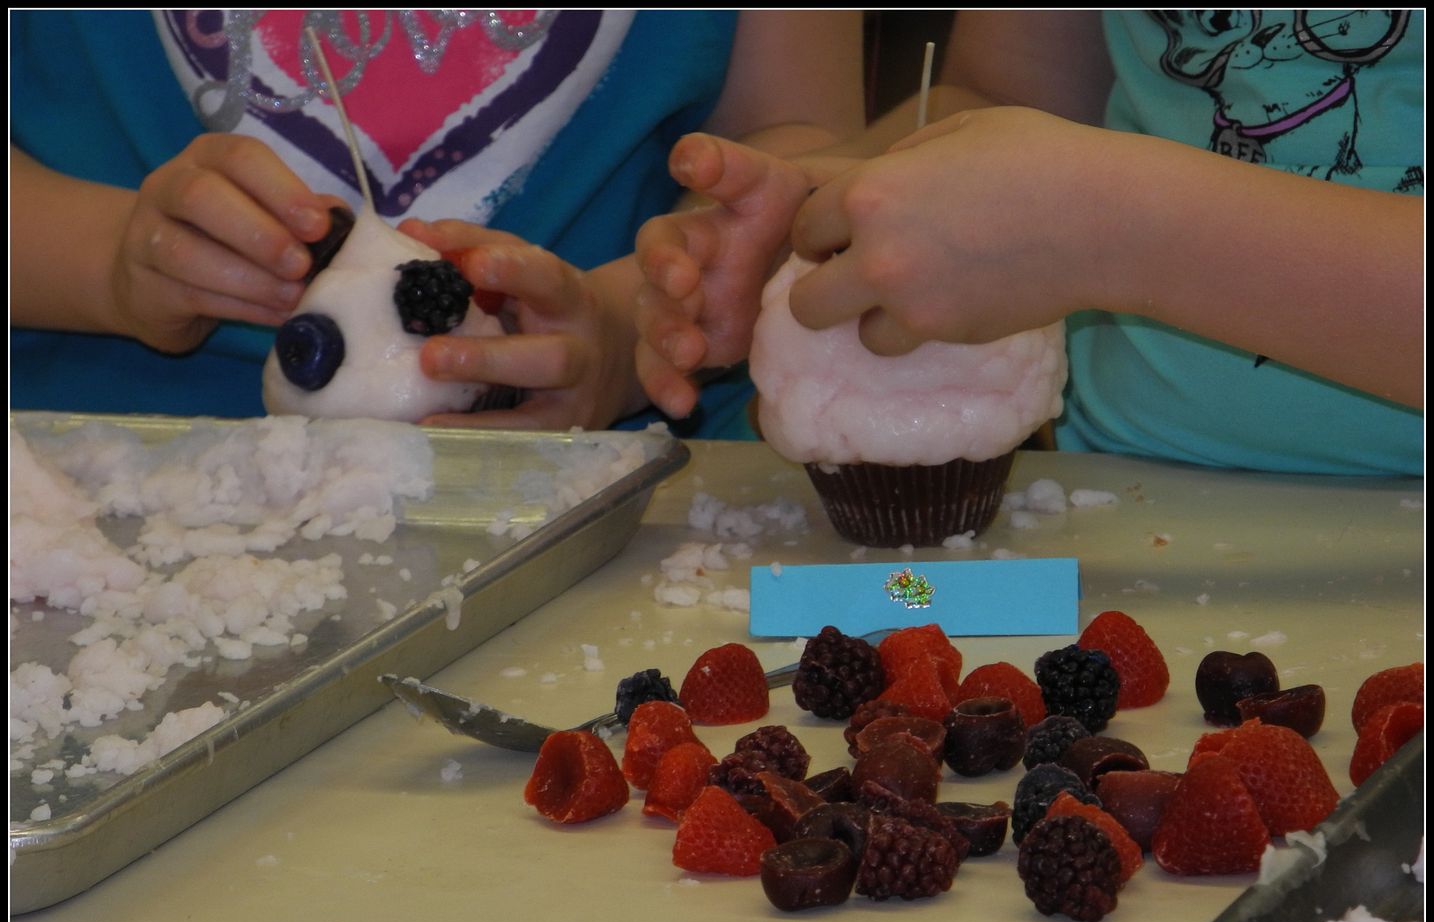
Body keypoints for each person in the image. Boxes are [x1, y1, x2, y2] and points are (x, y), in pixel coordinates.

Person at [634, 10, 1423, 476]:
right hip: (1117, 503)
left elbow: (1081, 205)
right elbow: (1013, 97)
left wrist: (1108, 226)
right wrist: (840, 206)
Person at [10, 9, 863, 435]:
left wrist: (632, 325)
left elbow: (789, 149)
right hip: (102, 495)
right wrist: (112, 264)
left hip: (627, 512)